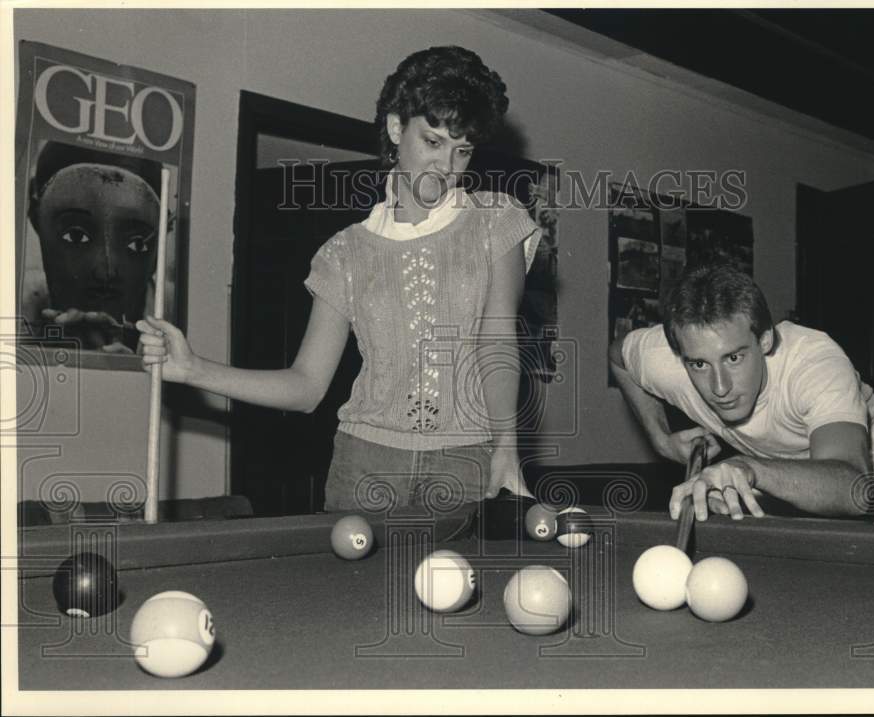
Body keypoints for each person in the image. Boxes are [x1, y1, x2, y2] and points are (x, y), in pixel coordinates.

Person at [139, 46, 540, 512]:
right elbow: (306, 386)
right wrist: (193, 369)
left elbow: (497, 338)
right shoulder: (344, 253)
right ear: (396, 128)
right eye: (433, 142)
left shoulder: (497, 221)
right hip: (363, 467)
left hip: (463, 463)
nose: (447, 168)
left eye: (462, 150)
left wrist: (506, 445)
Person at [609, 263, 874, 524]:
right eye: (699, 364)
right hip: (760, 464)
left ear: (764, 340)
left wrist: (747, 467)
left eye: (734, 358)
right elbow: (617, 356)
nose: (720, 388)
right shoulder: (664, 359)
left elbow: (855, 490)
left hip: (854, 462)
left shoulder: (814, 364)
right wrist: (661, 440)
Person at [26, 141, 166, 353]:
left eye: (136, 244)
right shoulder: (17, 307)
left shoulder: (181, 317)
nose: (106, 271)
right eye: (75, 236)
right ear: (37, 220)